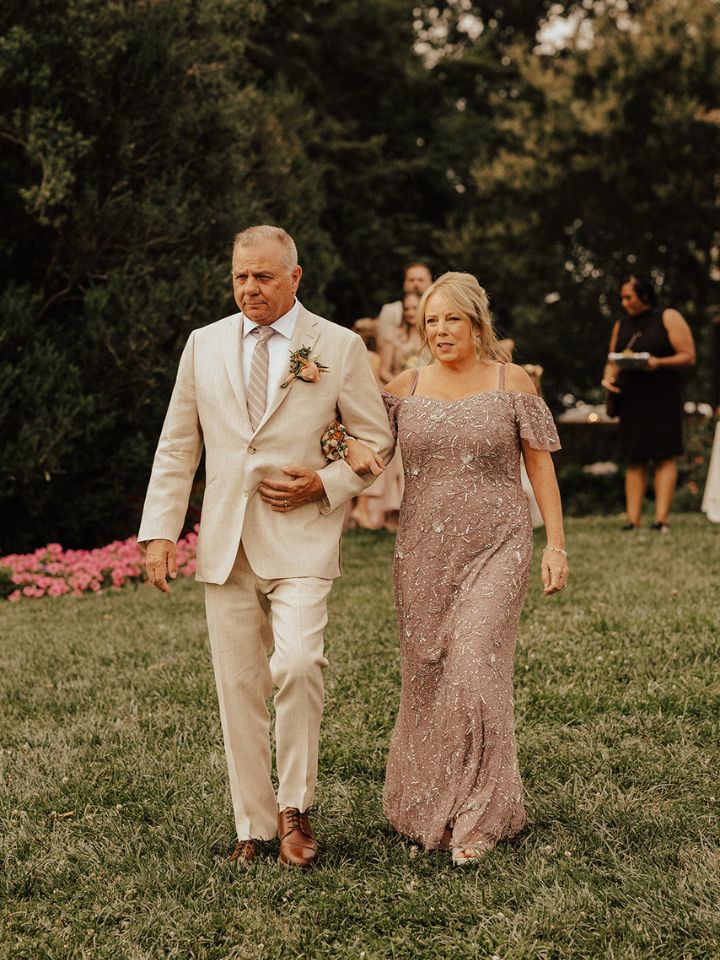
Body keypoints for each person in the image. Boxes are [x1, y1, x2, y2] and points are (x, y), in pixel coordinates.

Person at [139, 225, 392, 868]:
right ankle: (252, 827)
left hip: (302, 538)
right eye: (239, 277)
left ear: (294, 278)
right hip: (226, 542)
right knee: (239, 687)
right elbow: (178, 445)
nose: (249, 288)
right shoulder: (203, 345)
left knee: (300, 663)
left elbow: (376, 439)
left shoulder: (336, 345)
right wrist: (161, 532)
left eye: (263, 277)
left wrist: (326, 483)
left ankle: (295, 809)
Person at [347, 271, 568, 865]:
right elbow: (370, 458)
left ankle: (481, 817)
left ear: (477, 324)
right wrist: (344, 444)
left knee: (474, 668)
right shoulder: (404, 386)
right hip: (422, 554)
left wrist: (556, 545)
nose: (441, 331)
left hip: (499, 545)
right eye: (432, 321)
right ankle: (424, 806)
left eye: (453, 320)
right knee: (427, 678)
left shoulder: (511, 381)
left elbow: (541, 467)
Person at [602, 275, 696, 532]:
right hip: (632, 398)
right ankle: (632, 520)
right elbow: (612, 359)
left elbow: (688, 356)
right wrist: (608, 378)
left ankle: (660, 519)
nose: (624, 302)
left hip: (663, 396)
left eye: (629, 297)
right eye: (622, 297)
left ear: (644, 295)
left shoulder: (668, 317)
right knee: (635, 458)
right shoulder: (621, 324)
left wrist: (657, 363)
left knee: (664, 456)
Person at [377, 261, 432, 346]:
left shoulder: (438, 309)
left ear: (430, 283)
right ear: (404, 284)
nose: (416, 284)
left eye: (420, 280)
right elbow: (382, 344)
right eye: (411, 280)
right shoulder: (389, 311)